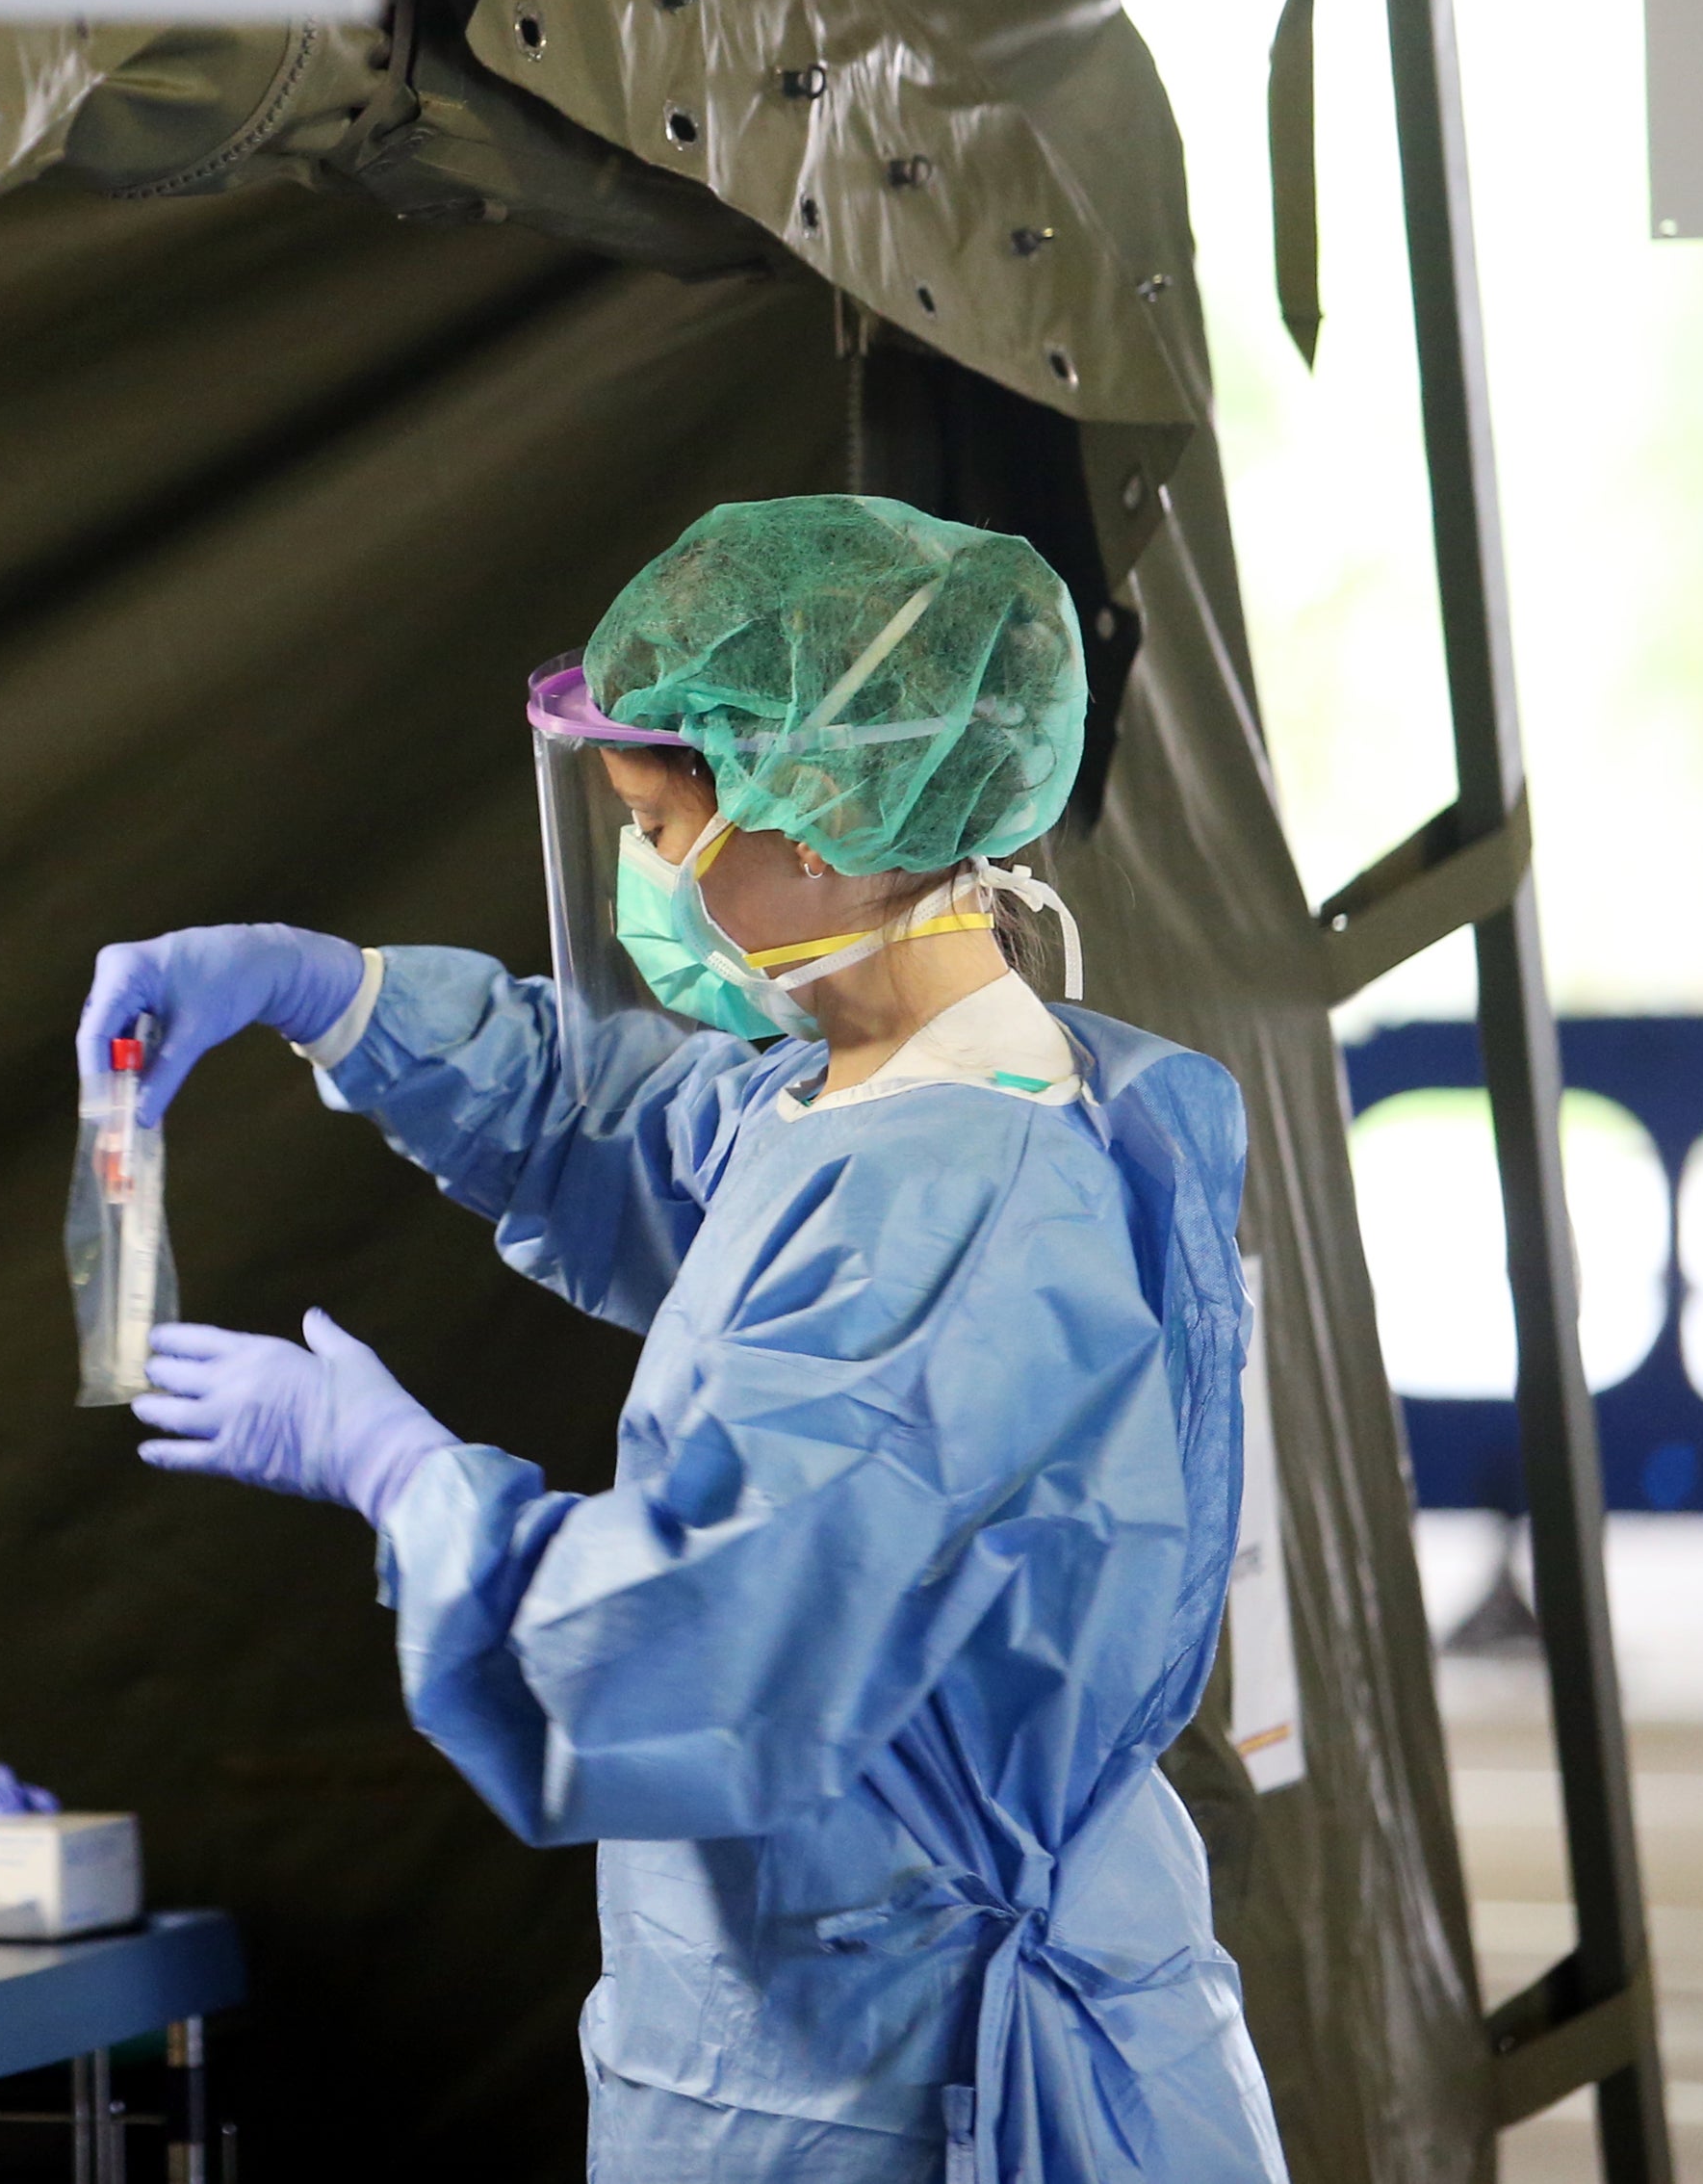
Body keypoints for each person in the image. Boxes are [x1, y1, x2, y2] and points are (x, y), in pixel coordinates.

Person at [76, 495, 1283, 2184]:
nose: (648, 874)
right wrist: (326, 992)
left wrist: (403, 1478)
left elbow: (692, 1644)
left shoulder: (949, 1213)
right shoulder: (915, 1098)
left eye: (661, 821)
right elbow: (623, 1127)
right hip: (865, 2018)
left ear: (828, 814)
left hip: (896, 2082)